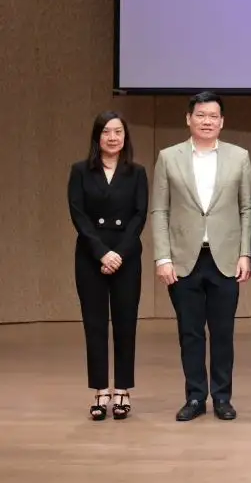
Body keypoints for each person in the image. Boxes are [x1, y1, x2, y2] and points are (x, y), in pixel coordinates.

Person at [151, 91, 251, 422]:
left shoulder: (239, 157)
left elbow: (247, 208)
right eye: (200, 115)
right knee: (190, 332)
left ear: (222, 121)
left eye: (213, 116)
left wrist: (245, 253)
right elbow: (160, 210)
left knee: (223, 333)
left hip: (225, 258)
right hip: (183, 260)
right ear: (188, 119)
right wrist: (162, 257)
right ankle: (195, 397)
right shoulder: (169, 157)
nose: (206, 121)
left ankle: (222, 397)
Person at [67, 111, 147, 420]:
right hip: (91, 255)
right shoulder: (80, 171)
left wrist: (119, 254)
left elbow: (139, 215)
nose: (112, 137)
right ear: (97, 136)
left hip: (126, 256)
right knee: (95, 325)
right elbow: (78, 214)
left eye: (118, 132)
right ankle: (101, 390)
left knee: (126, 324)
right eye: (106, 132)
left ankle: (122, 389)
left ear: (125, 137)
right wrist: (102, 253)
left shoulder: (137, 172)